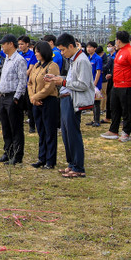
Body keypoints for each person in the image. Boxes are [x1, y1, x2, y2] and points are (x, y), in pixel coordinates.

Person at [45, 34, 95, 178]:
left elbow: (83, 84)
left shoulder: (82, 61)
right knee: (66, 134)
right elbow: (71, 79)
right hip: (66, 98)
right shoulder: (74, 60)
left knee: (73, 134)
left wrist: (63, 82)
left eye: (63, 50)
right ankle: (72, 163)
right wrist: (58, 78)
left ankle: (78, 167)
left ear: (71, 46)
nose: (61, 53)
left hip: (73, 100)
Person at [102, 30, 131, 142]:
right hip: (117, 84)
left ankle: (126, 132)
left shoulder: (130, 52)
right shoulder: (120, 51)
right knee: (114, 107)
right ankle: (113, 130)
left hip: (127, 85)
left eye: (116, 40)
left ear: (118, 41)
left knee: (127, 110)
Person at [0, 34, 27, 165]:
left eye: (3, 44)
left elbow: (22, 81)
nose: (2, 46)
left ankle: (17, 155)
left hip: (13, 97)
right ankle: (7, 152)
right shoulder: (7, 59)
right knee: (6, 127)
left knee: (16, 128)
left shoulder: (19, 60)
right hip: (3, 96)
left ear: (10, 44)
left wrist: (16, 97)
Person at [28, 41, 60, 169]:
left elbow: (50, 86)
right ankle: (42, 158)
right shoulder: (36, 66)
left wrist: (36, 97)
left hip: (49, 101)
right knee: (41, 131)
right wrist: (32, 98)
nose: (36, 54)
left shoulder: (52, 66)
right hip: (36, 102)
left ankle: (50, 160)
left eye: (38, 51)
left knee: (49, 131)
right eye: (35, 51)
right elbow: (30, 83)